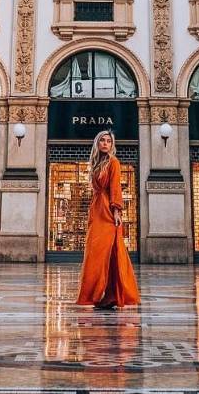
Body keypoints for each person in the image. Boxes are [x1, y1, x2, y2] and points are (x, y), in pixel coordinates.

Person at [76, 130, 140, 309]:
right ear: (97, 143)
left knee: (108, 252)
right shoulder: (96, 163)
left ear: (112, 145)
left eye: (109, 141)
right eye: (102, 141)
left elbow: (115, 187)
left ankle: (111, 294)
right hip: (96, 209)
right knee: (95, 252)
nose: (105, 144)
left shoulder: (114, 162)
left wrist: (117, 211)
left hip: (108, 213)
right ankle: (102, 294)